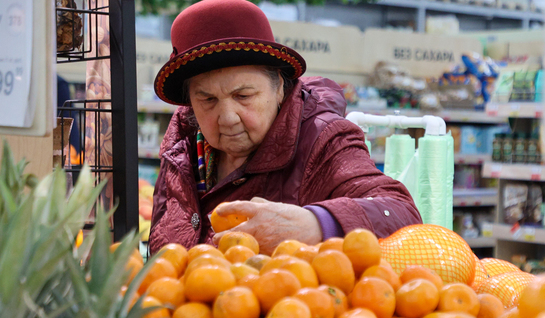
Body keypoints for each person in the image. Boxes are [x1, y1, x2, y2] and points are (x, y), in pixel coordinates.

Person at [148, 0, 422, 255]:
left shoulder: (323, 138)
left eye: (243, 96)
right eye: (207, 99)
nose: (227, 117)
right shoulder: (181, 150)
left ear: (279, 86)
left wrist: (315, 224)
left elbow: (400, 211)